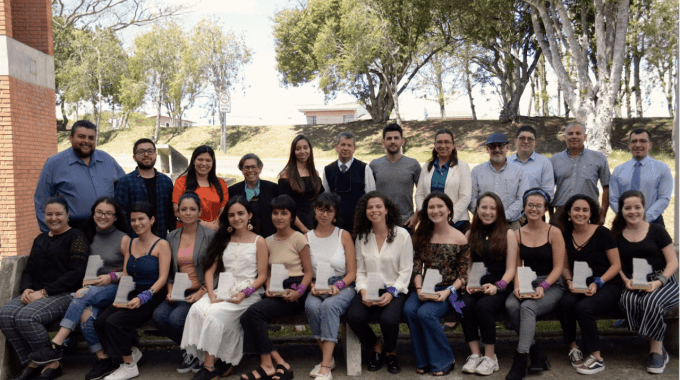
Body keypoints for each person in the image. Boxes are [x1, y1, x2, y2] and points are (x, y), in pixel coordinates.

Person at [27, 197, 130, 380]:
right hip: (91, 289)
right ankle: (103, 359)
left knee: (82, 295)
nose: (103, 216)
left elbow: (131, 271)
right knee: (85, 315)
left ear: (115, 217)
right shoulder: (88, 236)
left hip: (116, 287)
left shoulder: (124, 239)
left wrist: (111, 277)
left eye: (108, 213)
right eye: (99, 212)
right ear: (93, 214)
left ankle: (57, 343)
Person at [0, 197, 89, 380]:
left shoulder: (77, 237)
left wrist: (45, 292)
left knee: (27, 316)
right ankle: (32, 362)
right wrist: (26, 289)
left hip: (66, 294)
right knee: (6, 314)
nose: (53, 218)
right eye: (49, 214)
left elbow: (75, 273)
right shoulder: (39, 239)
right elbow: (29, 269)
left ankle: (53, 363)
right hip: (37, 293)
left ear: (67, 215)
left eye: (58, 214)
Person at [181, 196, 268, 380]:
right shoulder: (223, 239)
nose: (236, 218)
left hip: (248, 292)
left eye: (240, 213)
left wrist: (244, 293)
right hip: (223, 289)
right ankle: (216, 359)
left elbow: (262, 276)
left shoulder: (259, 241)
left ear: (249, 215)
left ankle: (209, 368)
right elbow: (209, 270)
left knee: (214, 315)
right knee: (198, 309)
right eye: (231, 215)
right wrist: (211, 294)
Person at [93, 202, 171, 380]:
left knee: (115, 322)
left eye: (141, 218)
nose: (137, 223)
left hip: (152, 295)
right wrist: (120, 297)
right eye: (133, 219)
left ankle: (129, 366)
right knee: (100, 321)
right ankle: (131, 352)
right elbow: (126, 274)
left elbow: (163, 278)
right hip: (131, 292)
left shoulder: (161, 245)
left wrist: (143, 298)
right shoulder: (131, 242)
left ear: (151, 220)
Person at [239, 195, 313, 380]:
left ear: (292, 216)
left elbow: (309, 273)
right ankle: (279, 363)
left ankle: (269, 365)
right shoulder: (268, 241)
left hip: (295, 290)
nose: (279, 217)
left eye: (284, 213)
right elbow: (267, 271)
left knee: (253, 314)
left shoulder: (299, 239)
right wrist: (269, 286)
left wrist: (299, 292)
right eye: (275, 213)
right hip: (275, 289)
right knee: (247, 317)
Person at [612, 190, 678, 374]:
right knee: (628, 300)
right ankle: (650, 333)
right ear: (622, 210)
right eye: (628, 208)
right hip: (634, 282)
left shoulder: (657, 230)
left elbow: (673, 262)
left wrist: (658, 283)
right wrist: (626, 281)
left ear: (644, 208)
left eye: (637, 207)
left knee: (651, 301)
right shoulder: (617, 235)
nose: (633, 211)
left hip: (663, 281)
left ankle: (657, 350)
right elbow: (617, 265)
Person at [346, 191, 413, 375]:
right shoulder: (362, 236)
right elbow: (360, 271)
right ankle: (376, 346)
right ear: (364, 211)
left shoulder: (402, 235)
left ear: (386, 210)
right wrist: (363, 291)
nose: (374, 210)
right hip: (370, 287)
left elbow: (406, 271)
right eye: (370, 207)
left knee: (389, 319)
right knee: (354, 316)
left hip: (395, 287)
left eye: (378, 206)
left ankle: (391, 352)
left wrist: (392, 292)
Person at [404, 192, 469, 376]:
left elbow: (463, 276)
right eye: (431, 207)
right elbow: (416, 268)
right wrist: (418, 289)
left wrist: (447, 293)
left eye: (440, 206)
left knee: (426, 313)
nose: (435, 210)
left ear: (449, 209)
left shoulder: (460, 238)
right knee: (409, 310)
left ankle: (445, 359)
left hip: (450, 290)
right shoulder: (422, 235)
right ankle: (423, 359)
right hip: (424, 287)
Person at [558, 194, 622, 375]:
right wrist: (568, 281)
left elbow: (616, 265)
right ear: (569, 213)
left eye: (585, 210)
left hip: (607, 284)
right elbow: (563, 266)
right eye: (576, 209)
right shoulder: (564, 235)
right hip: (578, 284)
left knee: (584, 308)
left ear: (591, 213)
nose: (581, 213)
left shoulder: (603, 233)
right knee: (565, 303)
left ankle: (597, 357)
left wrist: (599, 282)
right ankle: (573, 348)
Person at [152, 193, 216, 373]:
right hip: (179, 291)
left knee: (175, 319)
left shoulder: (210, 236)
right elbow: (171, 271)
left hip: (200, 290)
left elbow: (217, 271)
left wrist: (202, 292)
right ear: (177, 212)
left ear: (200, 212)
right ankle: (191, 351)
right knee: (158, 316)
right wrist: (171, 290)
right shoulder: (171, 237)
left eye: (192, 209)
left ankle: (195, 353)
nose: (188, 213)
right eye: (184, 209)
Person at [505, 189, 565, 380]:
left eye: (539, 205)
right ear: (524, 207)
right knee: (511, 305)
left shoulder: (553, 232)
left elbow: (559, 267)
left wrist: (543, 286)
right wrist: (516, 287)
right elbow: (515, 265)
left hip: (552, 284)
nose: (534, 209)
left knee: (528, 307)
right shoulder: (517, 234)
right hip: (526, 281)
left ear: (545, 209)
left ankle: (521, 359)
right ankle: (537, 354)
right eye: (530, 205)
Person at [460, 192, 518, 376]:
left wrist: (498, 286)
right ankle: (475, 354)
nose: (488, 212)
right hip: (476, 285)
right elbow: (468, 265)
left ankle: (490, 357)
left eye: (492, 208)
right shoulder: (470, 233)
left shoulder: (508, 234)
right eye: (483, 207)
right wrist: (469, 282)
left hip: (499, 286)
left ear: (499, 211)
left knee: (484, 307)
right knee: (462, 305)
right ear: (477, 210)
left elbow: (511, 269)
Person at [34, 120, 125, 232]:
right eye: (81, 136)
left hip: (107, 230)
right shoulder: (54, 163)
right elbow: (41, 200)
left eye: (91, 138)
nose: (86, 141)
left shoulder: (107, 160)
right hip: (72, 231)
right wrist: (51, 234)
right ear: (71, 138)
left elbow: (125, 187)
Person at [304, 193, 357, 380]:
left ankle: (325, 366)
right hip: (317, 285)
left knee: (329, 306)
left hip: (342, 285)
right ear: (315, 211)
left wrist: (339, 286)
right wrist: (310, 285)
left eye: (329, 211)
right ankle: (330, 356)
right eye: (321, 209)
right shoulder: (306, 238)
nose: (324, 214)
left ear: (335, 214)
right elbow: (306, 271)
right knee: (311, 306)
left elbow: (352, 272)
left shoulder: (343, 235)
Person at [609, 129, 673, 226]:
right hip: (624, 222)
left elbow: (664, 198)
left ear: (650, 145)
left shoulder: (663, 169)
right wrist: (625, 217)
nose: (638, 145)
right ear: (629, 145)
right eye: (634, 141)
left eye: (643, 141)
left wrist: (645, 218)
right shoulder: (618, 170)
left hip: (653, 222)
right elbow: (613, 198)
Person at [550, 122, 610, 223]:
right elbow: (548, 189)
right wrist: (552, 215)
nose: (574, 136)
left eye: (578, 133)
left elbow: (607, 186)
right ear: (565, 137)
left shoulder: (599, 158)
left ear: (585, 137)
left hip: (589, 213)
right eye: (570, 133)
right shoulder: (554, 160)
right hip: (561, 214)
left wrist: (603, 214)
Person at [115, 138, 175, 239]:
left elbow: (171, 214)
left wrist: (173, 238)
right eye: (141, 151)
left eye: (150, 151)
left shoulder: (166, 181)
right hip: (134, 241)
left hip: (161, 238)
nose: (146, 154)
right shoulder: (125, 182)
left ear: (155, 155)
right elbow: (120, 215)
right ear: (134, 157)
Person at [415, 129, 471, 233]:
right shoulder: (427, 167)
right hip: (431, 223)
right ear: (435, 145)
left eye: (447, 142)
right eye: (439, 142)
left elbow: (465, 197)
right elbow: (419, 195)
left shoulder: (462, 167)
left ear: (453, 145)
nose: (443, 145)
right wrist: (425, 215)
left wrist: (449, 218)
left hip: (457, 223)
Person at [469, 132, 529, 230]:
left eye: (501, 146)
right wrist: (484, 215)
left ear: (507, 147)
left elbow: (522, 198)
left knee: (513, 246)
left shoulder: (519, 171)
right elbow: (471, 198)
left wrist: (503, 217)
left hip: (510, 225)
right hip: (482, 226)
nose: (497, 150)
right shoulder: (476, 171)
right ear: (487, 148)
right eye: (492, 146)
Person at [369, 124, 421, 231]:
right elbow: (368, 195)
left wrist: (416, 217)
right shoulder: (374, 165)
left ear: (402, 141)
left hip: (406, 222)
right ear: (383, 143)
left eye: (396, 138)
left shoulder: (413, 164)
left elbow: (423, 193)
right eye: (389, 138)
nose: (393, 141)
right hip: (381, 222)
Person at [322, 132, 376, 233]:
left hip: (359, 225)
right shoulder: (328, 170)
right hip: (335, 226)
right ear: (336, 147)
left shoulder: (364, 169)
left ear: (354, 148)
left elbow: (371, 198)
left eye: (349, 145)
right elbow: (326, 199)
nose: (346, 148)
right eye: (343, 144)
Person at [173, 145, 228, 231]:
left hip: (214, 231)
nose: (204, 163)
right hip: (188, 231)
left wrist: (215, 225)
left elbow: (224, 209)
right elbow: (177, 210)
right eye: (200, 159)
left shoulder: (221, 183)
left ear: (213, 163)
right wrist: (205, 224)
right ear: (193, 161)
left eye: (208, 160)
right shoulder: (181, 182)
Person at [278, 135, 324, 233]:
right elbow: (286, 207)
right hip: (295, 227)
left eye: (305, 148)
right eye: (298, 149)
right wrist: (304, 229)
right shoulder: (286, 175)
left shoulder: (315, 173)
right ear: (293, 152)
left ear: (310, 150)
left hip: (315, 225)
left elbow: (320, 201)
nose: (302, 151)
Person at [228, 153, 279, 237]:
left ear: (260, 168)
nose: (250, 170)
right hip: (242, 238)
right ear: (241, 169)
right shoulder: (232, 191)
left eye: (254, 167)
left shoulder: (273, 188)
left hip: (269, 236)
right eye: (247, 167)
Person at [508, 126, 554, 201]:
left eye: (530, 139)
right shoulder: (506, 163)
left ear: (535, 143)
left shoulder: (544, 163)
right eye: (522, 138)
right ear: (515, 141)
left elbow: (548, 193)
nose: (526, 141)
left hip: (534, 210)